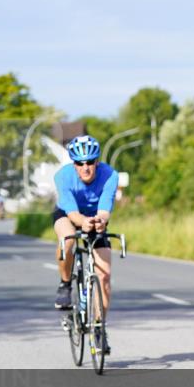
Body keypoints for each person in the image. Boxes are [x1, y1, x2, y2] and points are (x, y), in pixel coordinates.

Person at [53, 135, 119, 354]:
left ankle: (99, 329)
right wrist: (83, 222)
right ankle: (65, 284)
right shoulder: (63, 176)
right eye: (80, 163)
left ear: (97, 162)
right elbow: (72, 212)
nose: (85, 167)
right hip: (68, 214)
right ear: (74, 164)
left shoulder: (110, 175)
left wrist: (100, 221)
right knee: (68, 240)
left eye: (90, 162)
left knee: (105, 275)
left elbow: (105, 208)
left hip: (95, 217)